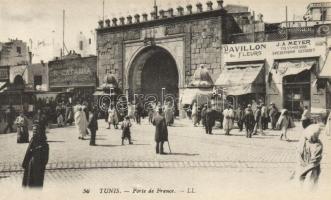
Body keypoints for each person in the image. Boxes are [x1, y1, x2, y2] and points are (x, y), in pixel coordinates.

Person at [292, 124, 323, 190]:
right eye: (317, 134)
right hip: (302, 167)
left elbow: (314, 161)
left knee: (310, 187)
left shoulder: (318, 144)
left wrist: (303, 172)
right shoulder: (302, 142)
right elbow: (299, 156)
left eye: (318, 134)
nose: (318, 136)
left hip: (311, 169)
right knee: (299, 187)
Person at [22, 123, 49, 188]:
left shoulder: (43, 142)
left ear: (40, 131)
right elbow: (27, 153)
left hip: (38, 167)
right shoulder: (32, 140)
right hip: (30, 165)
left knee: (37, 185)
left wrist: (38, 151)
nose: (34, 132)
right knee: (29, 183)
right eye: (33, 131)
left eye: (36, 130)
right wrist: (25, 164)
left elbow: (45, 158)